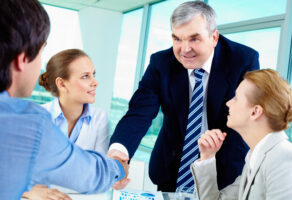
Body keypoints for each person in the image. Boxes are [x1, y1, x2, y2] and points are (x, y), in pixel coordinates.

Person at [109, 1, 260, 192]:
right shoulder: (161, 63)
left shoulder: (242, 60)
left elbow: (249, 118)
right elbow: (140, 112)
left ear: (214, 37)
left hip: (225, 173)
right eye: (177, 39)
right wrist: (118, 153)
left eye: (194, 39)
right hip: (171, 171)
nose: (184, 49)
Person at [0, 0, 128, 199]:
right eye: (41, 52)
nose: (95, 82)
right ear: (22, 59)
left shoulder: (99, 117)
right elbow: (89, 173)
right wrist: (119, 167)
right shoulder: (28, 123)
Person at [191, 69, 292, 199]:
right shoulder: (253, 157)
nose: (228, 103)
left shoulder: (283, 158)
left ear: (255, 112)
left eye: (236, 98)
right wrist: (207, 158)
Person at [23, 49, 110, 199]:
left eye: (93, 75)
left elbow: (99, 173)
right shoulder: (37, 117)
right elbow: (13, 174)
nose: (95, 82)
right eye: (85, 76)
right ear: (62, 84)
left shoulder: (99, 118)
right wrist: (30, 191)